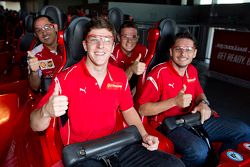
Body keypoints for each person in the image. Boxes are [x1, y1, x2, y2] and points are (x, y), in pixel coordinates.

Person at [30, 17, 184, 167]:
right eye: (94, 39)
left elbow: (128, 109)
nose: (100, 46)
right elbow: (35, 124)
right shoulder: (64, 79)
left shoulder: (118, 75)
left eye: (106, 40)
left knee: (174, 164)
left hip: (116, 144)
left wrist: (144, 135)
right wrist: (46, 111)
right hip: (83, 153)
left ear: (112, 47)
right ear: (85, 45)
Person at [138, 32, 250, 167]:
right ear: (171, 51)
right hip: (168, 124)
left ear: (195, 53)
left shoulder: (192, 70)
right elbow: (143, 108)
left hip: (194, 119)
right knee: (199, 151)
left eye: (188, 49)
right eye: (178, 49)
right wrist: (174, 101)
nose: (183, 53)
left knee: (242, 130)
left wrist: (203, 103)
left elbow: (199, 93)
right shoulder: (158, 73)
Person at [27, 15, 63, 92]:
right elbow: (35, 87)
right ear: (36, 35)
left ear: (55, 27)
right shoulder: (35, 54)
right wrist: (34, 72)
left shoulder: (70, 47)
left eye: (47, 27)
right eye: (39, 30)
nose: (44, 33)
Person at [110, 21, 147, 89]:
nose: (129, 41)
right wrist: (131, 69)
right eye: (125, 36)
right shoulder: (112, 53)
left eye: (133, 37)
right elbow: (114, 86)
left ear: (137, 38)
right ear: (118, 37)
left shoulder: (143, 51)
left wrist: (137, 88)